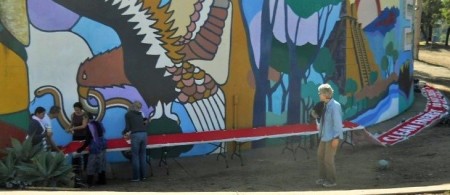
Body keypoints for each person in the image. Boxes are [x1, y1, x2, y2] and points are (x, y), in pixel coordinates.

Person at [313, 83, 343, 188]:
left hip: (332, 137)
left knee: (328, 160)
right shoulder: (325, 104)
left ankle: (331, 180)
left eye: (320, 93)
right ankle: (323, 178)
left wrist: (336, 138)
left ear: (326, 94)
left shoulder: (335, 106)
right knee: (320, 156)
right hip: (324, 136)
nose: (319, 94)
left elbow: (338, 124)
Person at [76, 114, 107, 187]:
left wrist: (80, 149)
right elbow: (103, 131)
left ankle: (89, 183)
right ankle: (102, 181)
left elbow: (88, 140)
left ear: (87, 119)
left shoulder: (89, 126)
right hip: (102, 145)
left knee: (91, 165)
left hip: (95, 147)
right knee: (101, 164)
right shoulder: (99, 123)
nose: (83, 121)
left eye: (83, 119)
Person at [124, 101, 148, 182]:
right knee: (143, 155)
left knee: (135, 156)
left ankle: (136, 177)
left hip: (135, 135)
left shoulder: (128, 114)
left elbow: (127, 128)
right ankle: (144, 176)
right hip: (144, 134)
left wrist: (124, 133)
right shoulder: (142, 113)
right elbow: (145, 123)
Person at [67, 102, 89, 175]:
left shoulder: (85, 115)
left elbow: (84, 126)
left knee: (85, 152)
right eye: (75, 109)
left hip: (84, 136)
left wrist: (73, 128)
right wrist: (69, 128)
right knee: (75, 153)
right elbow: (72, 123)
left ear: (81, 108)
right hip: (76, 136)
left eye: (78, 109)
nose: (76, 111)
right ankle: (75, 170)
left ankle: (86, 169)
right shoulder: (73, 115)